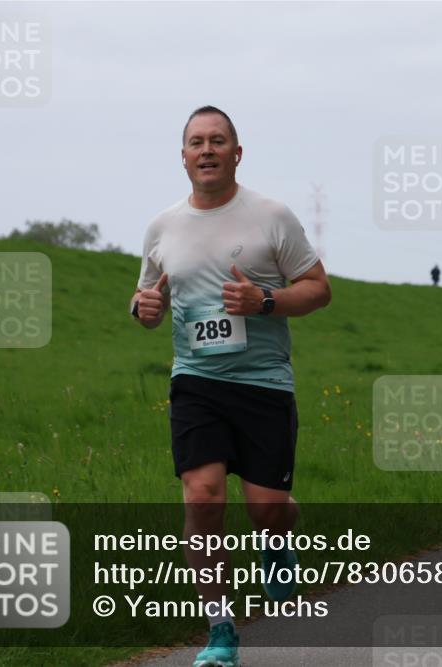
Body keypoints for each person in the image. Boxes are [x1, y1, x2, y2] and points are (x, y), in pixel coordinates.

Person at [132, 105, 331, 667]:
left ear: (236, 153)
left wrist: (265, 300)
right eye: (196, 141)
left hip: (265, 383)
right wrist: (142, 307)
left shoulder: (271, 216)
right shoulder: (162, 227)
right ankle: (220, 631)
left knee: (266, 511)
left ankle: (279, 535)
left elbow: (318, 289)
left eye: (218, 140)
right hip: (196, 381)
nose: (207, 150)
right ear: (184, 156)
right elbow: (148, 300)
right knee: (202, 496)